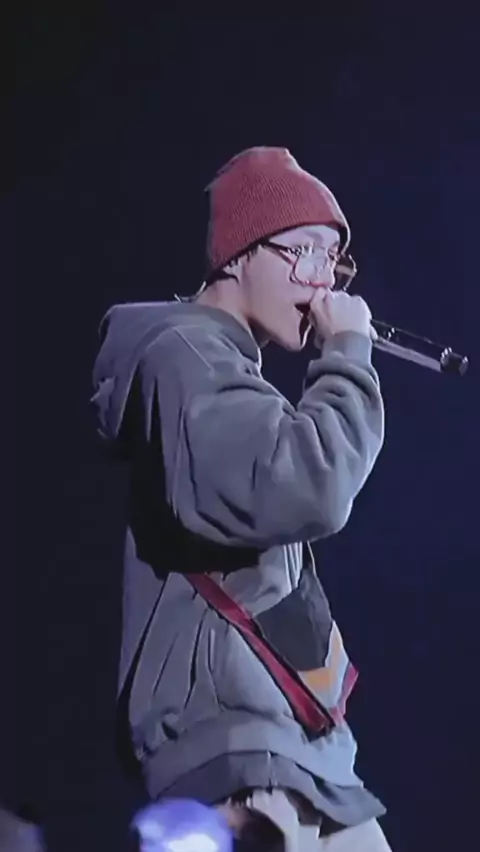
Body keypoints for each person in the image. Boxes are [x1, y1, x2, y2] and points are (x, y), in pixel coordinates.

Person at [92, 147, 389, 851]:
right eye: (304, 252)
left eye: (333, 260)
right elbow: (309, 484)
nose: (322, 281)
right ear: (238, 255)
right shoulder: (184, 355)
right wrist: (347, 356)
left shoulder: (224, 370)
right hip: (238, 744)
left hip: (294, 741)